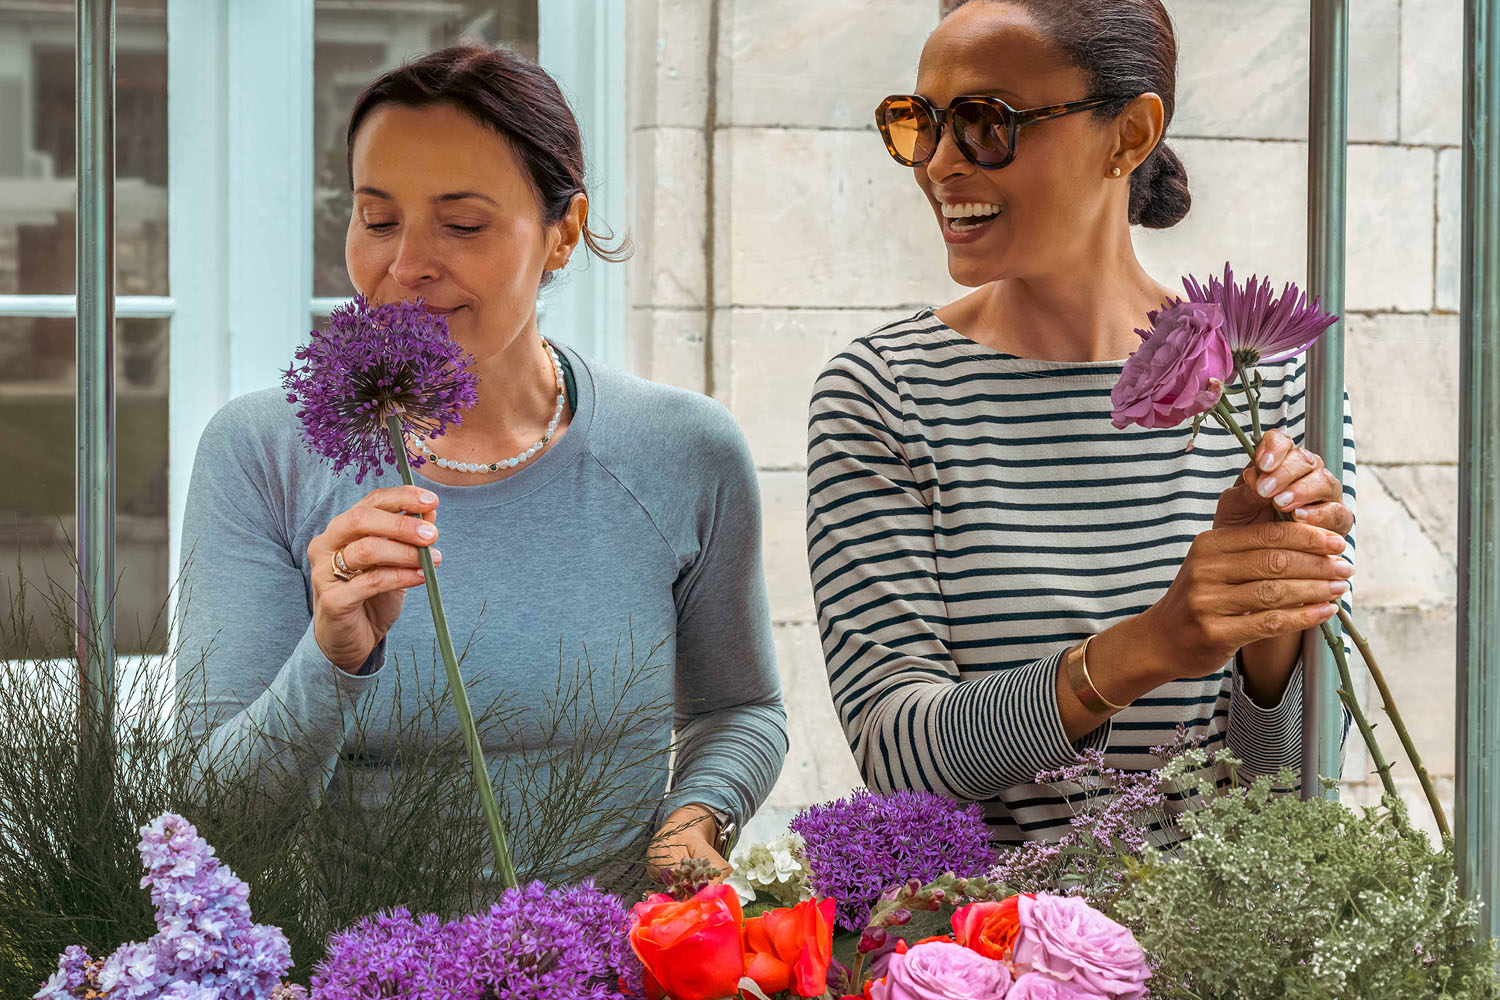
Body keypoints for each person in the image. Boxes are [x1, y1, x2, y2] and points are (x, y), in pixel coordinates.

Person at [178, 44, 786, 882]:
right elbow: (216, 817)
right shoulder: (259, 453)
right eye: (377, 219)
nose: (404, 266)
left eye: (461, 224)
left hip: (612, 962)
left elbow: (740, 710)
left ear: (564, 232)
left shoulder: (685, 450)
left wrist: (691, 828)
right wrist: (332, 655)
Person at [806, 0, 1356, 844]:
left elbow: (1288, 797)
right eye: (919, 124)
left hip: (1223, 960)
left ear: (1130, 135)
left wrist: (1270, 627)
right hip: (984, 958)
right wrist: (1156, 644)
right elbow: (898, 759)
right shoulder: (883, 395)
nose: (940, 165)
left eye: (987, 123)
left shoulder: (1277, 379)